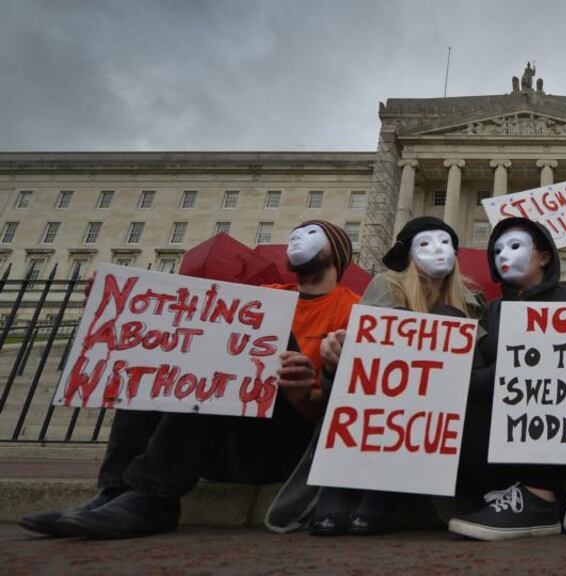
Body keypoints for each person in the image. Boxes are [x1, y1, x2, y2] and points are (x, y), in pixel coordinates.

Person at [20, 220, 360, 539]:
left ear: (339, 250)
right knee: (169, 352)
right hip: (219, 439)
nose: (298, 238)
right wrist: (124, 301)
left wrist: (301, 394)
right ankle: (117, 492)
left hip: (284, 445)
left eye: (312, 232)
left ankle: (153, 500)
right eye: (295, 233)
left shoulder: (354, 310)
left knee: (237, 345)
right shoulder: (262, 296)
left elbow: (345, 414)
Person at [300, 216, 481, 536]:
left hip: (434, 416)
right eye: (425, 243)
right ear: (409, 254)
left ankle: (380, 490)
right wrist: (335, 357)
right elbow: (363, 363)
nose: (438, 250)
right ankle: (336, 486)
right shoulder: (386, 286)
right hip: (381, 402)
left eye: (445, 243)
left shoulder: (471, 302)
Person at [447, 217, 566, 541]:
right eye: (496, 250)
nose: (502, 255)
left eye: (515, 246)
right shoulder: (490, 312)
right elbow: (475, 384)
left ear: (544, 256)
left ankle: (539, 498)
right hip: (501, 443)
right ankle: (560, 507)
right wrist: (518, 369)